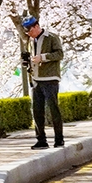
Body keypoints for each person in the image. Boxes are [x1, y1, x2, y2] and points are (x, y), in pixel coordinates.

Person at [22, 16, 64, 149]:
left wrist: (43, 58)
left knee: (53, 109)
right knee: (37, 110)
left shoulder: (51, 37)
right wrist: (27, 61)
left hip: (50, 78)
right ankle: (41, 140)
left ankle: (59, 139)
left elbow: (59, 54)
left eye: (29, 30)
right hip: (36, 79)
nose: (29, 33)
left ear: (36, 26)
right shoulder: (30, 40)